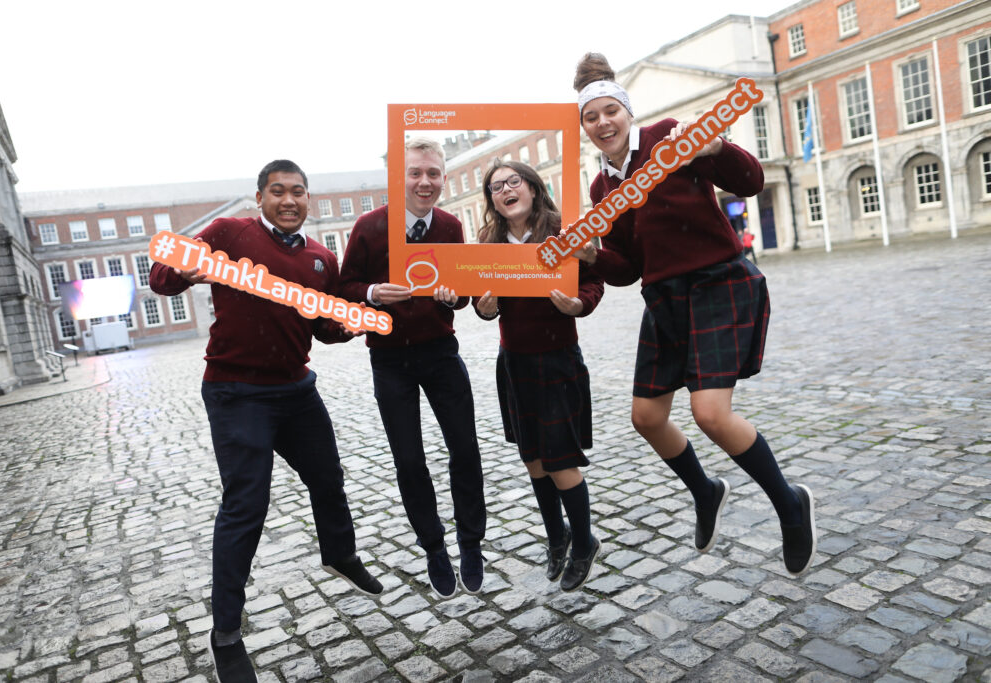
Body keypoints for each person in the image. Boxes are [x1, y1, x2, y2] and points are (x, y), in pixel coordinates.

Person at [571, 53, 816, 577]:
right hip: (664, 299)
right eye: (591, 117)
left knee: (710, 413)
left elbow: (750, 180)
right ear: (584, 127)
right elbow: (628, 269)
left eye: (610, 111)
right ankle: (705, 491)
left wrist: (716, 148)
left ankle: (790, 505)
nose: (602, 123)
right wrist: (594, 256)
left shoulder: (667, 137)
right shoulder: (602, 190)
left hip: (716, 282)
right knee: (647, 417)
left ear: (627, 112)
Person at [150, 160, 383, 683]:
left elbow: (324, 326)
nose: (289, 200)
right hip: (236, 392)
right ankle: (226, 636)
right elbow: (161, 275)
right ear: (260, 197)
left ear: (308, 199)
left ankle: (340, 553)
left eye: (298, 192)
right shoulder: (230, 232)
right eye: (278, 191)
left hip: (296, 389)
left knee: (328, 477)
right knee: (246, 506)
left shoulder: (323, 259)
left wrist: (351, 325)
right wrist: (183, 272)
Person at [339, 138, 486, 598]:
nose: (425, 182)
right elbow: (345, 287)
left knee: (465, 449)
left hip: (441, 352)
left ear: (443, 178)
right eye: (416, 173)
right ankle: (434, 547)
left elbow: (461, 292)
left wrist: (453, 296)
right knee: (409, 459)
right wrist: (372, 293)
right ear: (399, 178)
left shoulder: (449, 224)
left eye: (433, 174)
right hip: (390, 359)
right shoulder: (369, 226)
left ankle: (470, 541)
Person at [474, 160, 604, 591]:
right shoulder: (488, 241)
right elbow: (480, 299)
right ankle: (556, 537)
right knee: (533, 459)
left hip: (557, 357)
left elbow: (594, 282)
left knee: (560, 460)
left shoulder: (563, 230)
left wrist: (579, 304)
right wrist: (485, 307)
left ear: (531, 187)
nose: (505, 190)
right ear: (492, 200)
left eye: (513, 182)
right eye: (496, 187)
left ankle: (584, 542)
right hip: (513, 362)